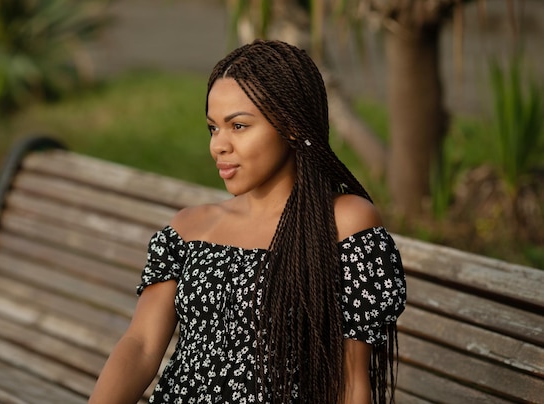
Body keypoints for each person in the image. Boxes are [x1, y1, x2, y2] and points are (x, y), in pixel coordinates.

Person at [89, 39, 406, 403]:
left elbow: (350, 384)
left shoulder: (343, 223)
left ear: (290, 125)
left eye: (238, 126)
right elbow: (141, 345)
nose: (218, 145)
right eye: (213, 128)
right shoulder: (189, 229)